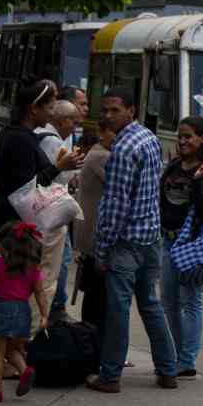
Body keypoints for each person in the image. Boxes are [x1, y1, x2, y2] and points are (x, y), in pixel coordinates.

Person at [86, 87, 179, 393]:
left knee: (118, 309)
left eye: (115, 110)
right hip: (151, 236)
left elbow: (115, 207)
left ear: (131, 110)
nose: (108, 115)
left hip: (126, 242)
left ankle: (110, 375)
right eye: (105, 110)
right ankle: (168, 369)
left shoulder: (124, 149)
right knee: (150, 304)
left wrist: (102, 250)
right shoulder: (148, 138)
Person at [0, 80, 84, 336]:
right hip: (21, 227)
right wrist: (59, 168)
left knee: (13, 291)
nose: (53, 112)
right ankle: (16, 349)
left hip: (12, 223)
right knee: (23, 292)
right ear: (33, 109)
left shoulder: (14, 133)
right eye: (49, 106)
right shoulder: (21, 139)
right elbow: (26, 190)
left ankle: (6, 353)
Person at [160, 116, 203, 377]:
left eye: (189, 136)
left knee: (190, 300)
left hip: (191, 242)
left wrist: (197, 180)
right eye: (180, 136)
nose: (183, 141)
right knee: (168, 301)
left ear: (202, 139)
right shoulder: (174, 165)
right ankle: (175, 353)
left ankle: (187, 360)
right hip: (167, 238)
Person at [0, 221, 46, 402]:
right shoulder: (34, 271)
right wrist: (44, 315)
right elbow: (40, 293)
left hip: (3, 309)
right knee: (12, 349)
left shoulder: (1, 263)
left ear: (8, 249)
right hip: (23, 312)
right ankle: (24, 370)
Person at [36, 99, 81, 324]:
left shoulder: (39, 133)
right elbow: (57, 177)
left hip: (42, 210)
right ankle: (52, 309)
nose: (75, 128)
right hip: (49, 212)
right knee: (55, 263)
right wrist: (69, 168)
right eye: (73, 122)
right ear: (63, 121)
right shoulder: (53, 142)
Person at [75, 124, 115, 331]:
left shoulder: (99, 152)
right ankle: (93, 341)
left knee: (95, 292)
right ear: (102, 132)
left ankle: (91, 340)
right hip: (96, 236)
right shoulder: (102, 156)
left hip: (92, 234)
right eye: (114, 132)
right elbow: (123, 183)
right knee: (98, 294)